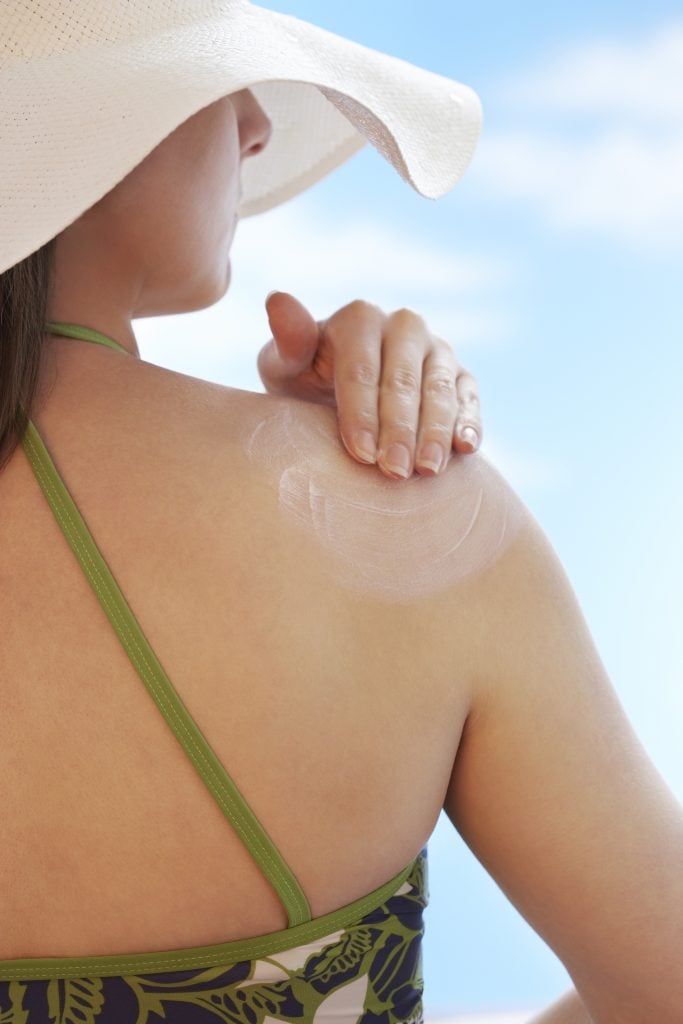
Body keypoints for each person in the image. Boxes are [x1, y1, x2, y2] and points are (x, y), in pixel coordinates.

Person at [0, 5, 680, 1024]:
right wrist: (358, 478)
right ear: (89, 124)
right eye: (209, 80)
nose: (256, 124)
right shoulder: (413, 521)